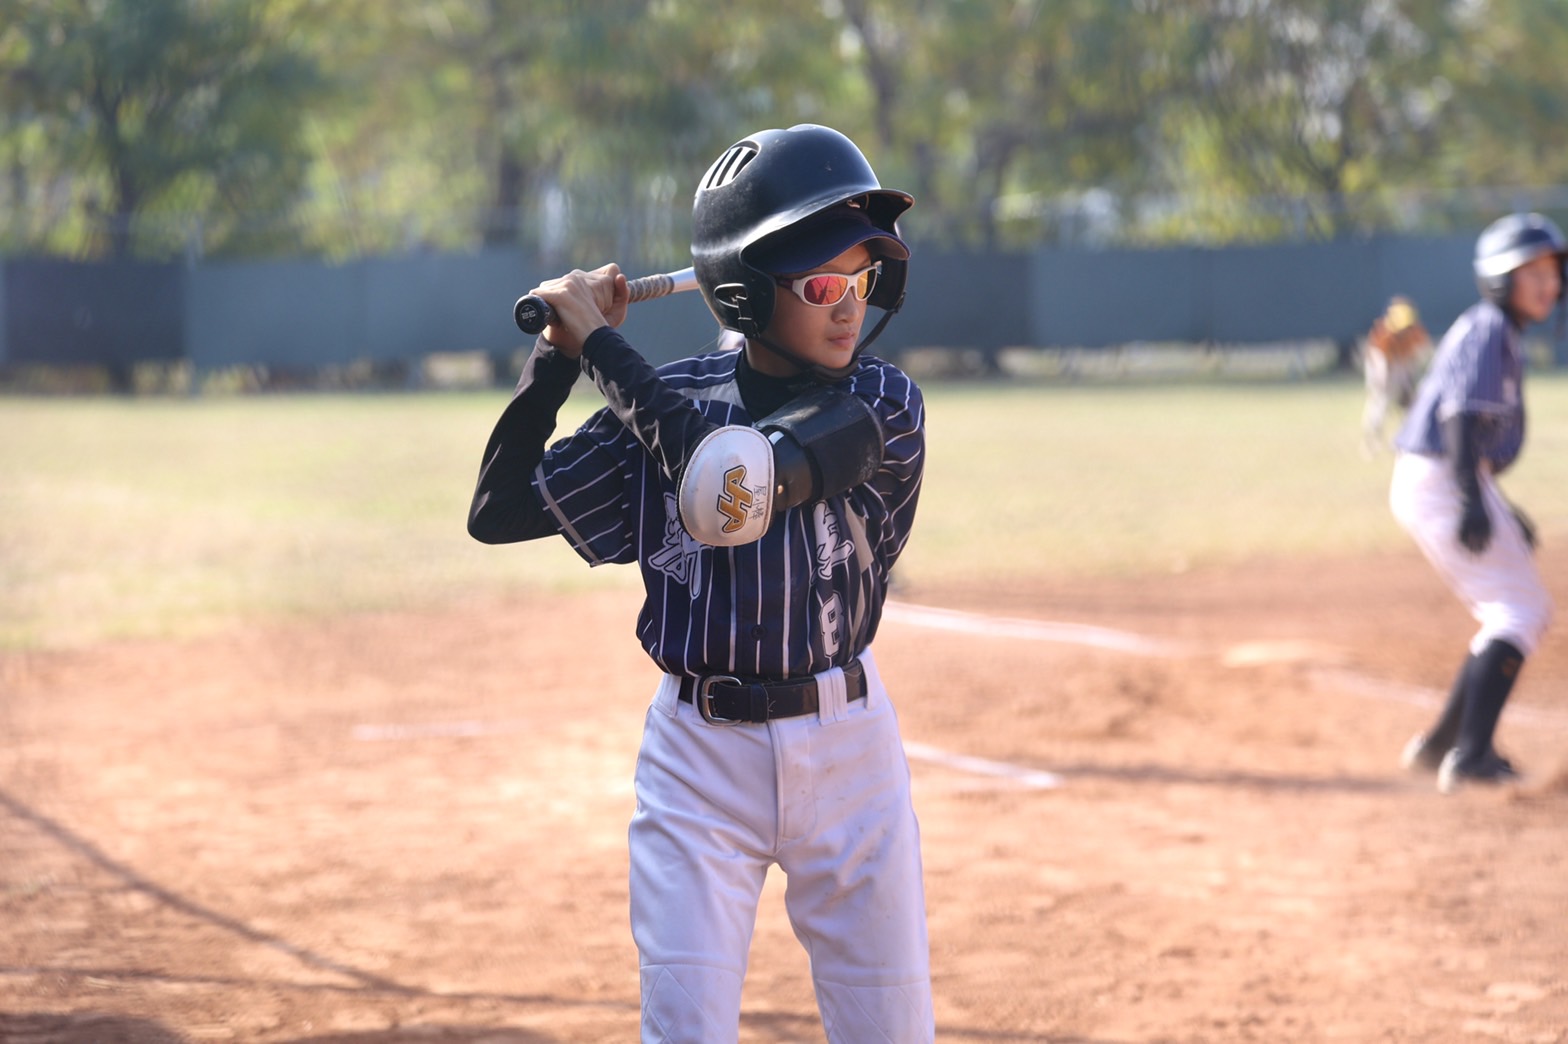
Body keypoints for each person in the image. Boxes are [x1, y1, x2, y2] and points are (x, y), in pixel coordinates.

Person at [467, 124, 934, 1042]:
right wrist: (557, 353)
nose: (849, 308)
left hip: (851, 760)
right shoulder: (670, 400)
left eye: (862, 281)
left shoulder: (882, 406)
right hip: (698, 765)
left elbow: (734, 486)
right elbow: (498, 508)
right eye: (823, 285)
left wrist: (603, 348)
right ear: (746, 292)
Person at [1391, 212, 1564, 794]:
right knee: (1520, 611)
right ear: (1499, 278)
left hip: (1448, 475)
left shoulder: (1496, 330)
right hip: (1444, 476)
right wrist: (1471, 498)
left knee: (1510, 609)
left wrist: (1495, 502)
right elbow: (1459, 417)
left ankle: (1444, 743)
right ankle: (1471, 754)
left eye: (1552, 273)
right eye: (1532, 272)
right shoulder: (1490, 327)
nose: (1547, 284)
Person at [1361, 295, 1431, 457]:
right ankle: (1370, 442)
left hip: (1401, 365)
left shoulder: (1415, 331)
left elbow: (1419, 355)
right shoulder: (1384, 333)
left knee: (1409, 404)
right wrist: (1383, 381)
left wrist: (1408, 380)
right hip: (1381, 365)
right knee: (1380, 402)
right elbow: (1379, 360)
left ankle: (1408, 439)